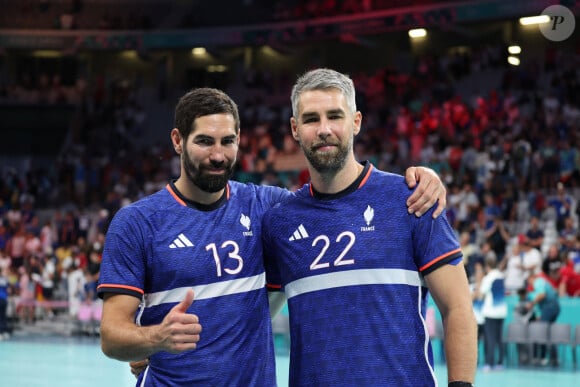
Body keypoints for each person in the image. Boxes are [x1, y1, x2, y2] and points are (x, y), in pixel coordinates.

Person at [98, 87, 448, 386]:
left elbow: (337, 196)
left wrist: (423, 177)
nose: (218, 155)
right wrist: (154, 338)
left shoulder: (270, 209)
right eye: (204, 141)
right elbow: (112, 336)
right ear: (177, 140)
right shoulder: (137, 223)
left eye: (228, 141)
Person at [262, 68, 476, 386]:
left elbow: (457, 307)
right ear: (295, 128)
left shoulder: (411, 198)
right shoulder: (280, 222)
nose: (324, 129)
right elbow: (255, 318)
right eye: (311, 119)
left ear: (356, 121)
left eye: (335, 116)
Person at [476, 255, 507, 371]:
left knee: (490, 338)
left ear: (487, 265)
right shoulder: (501, 276)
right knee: (499, 338)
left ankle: (489, 363)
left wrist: (479, 282)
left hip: (490, 313)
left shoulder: (488, 278)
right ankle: (500, 363)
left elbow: (480, 295)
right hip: (501, 312)